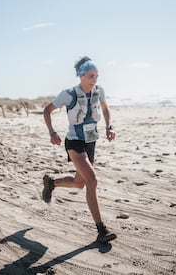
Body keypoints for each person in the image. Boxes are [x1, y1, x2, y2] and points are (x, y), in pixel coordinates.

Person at [42, 56, 117, 243]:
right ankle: (101, 230)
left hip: (91, 142)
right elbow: (46, 110)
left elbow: (105, 109)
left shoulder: (99, 91)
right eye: (91, 76)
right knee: (92, 180)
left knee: (79, 183)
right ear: (81, 76)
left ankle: (52, 183)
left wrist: (109, 126)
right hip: (75, 142)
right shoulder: (69, 94)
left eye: (97, 76)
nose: (95, 79)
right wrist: (52, 132)